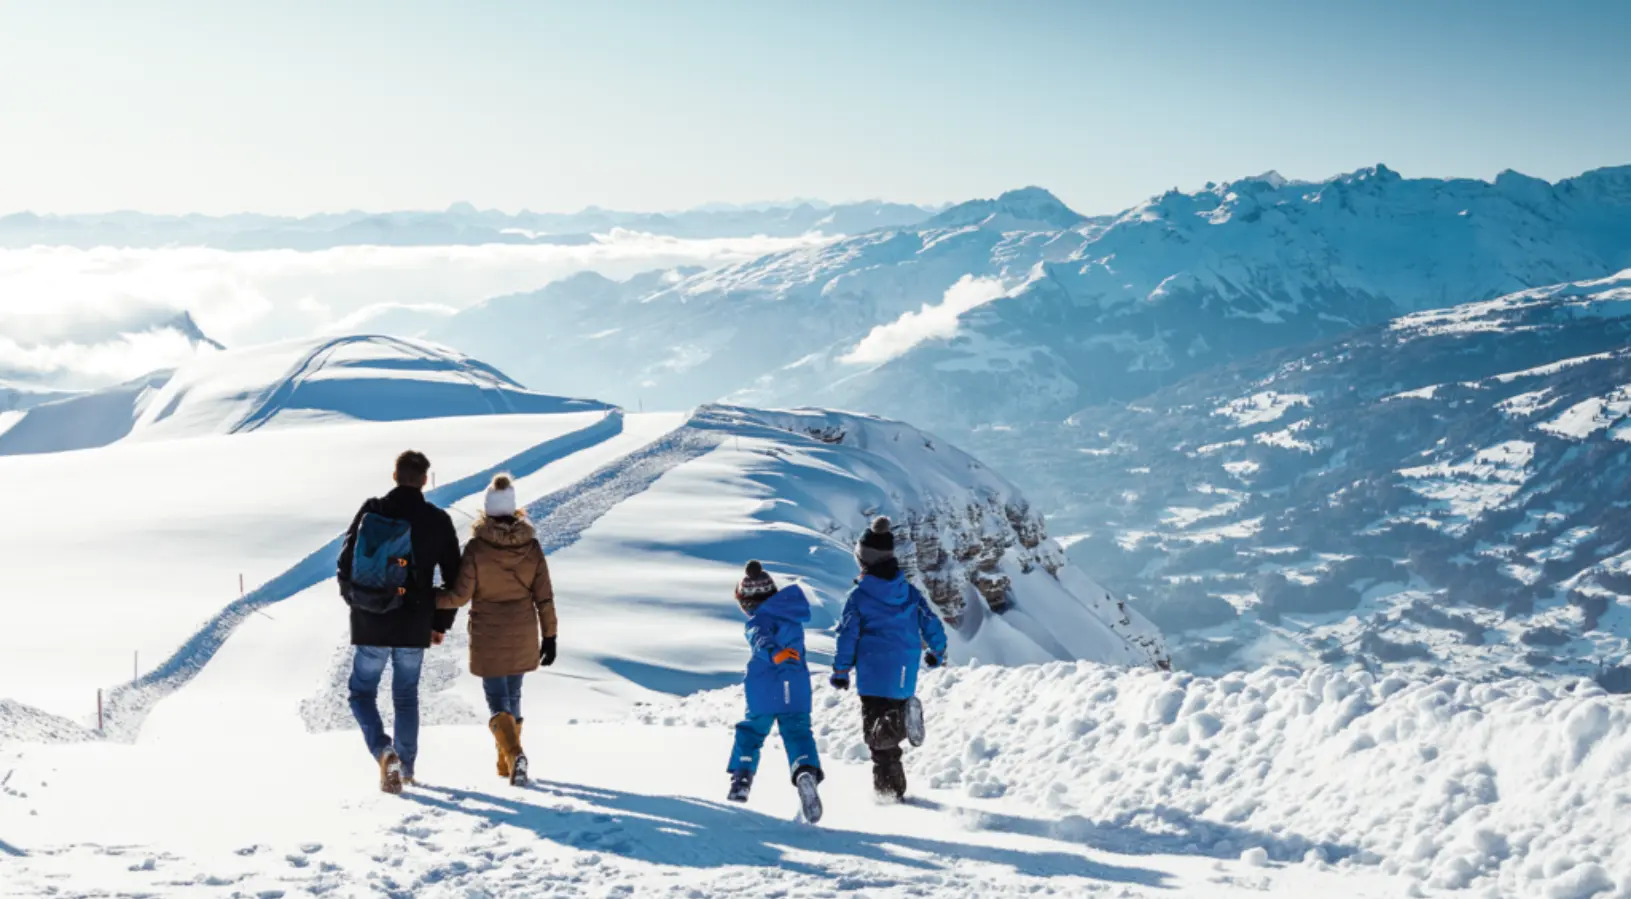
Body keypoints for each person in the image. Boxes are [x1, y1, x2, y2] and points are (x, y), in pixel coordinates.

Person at [337, 450, 461, 794]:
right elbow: (454, 577)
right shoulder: (437, 520)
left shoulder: (372, 509)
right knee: (405, 695)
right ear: (424, 479)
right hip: (413, 622)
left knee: (361, 692)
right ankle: (404, 768)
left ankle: (382, 751)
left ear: (395, 475)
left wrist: (356, 601)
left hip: (370, 620)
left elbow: (345, 560)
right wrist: (440, 622)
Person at [438, 474, 558, 786]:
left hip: (488, 634)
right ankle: (507, 762)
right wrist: (550, 636)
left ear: (487, 511)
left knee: (495, 700)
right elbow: (543, 596)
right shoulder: (531, 547)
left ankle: (514, 753)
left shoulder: (477, 548)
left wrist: (429, 598)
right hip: (522, 630)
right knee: (514, 693)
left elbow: (460, 596)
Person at [829, 516, 948, 802]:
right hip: (905, 671)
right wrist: (937, 652)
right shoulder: (909, 592)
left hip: (873, 676)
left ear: (864, 560)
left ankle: (889, 795)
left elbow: (847, 636)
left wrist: (842, 671)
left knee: (877, 742)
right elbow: (930, 622)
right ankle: (899, 722)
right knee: (886, 737)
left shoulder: (858, 597)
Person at [725, 561, 824, 823]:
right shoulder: (792, 616)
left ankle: (742, 778)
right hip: (796, 686)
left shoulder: (758, 621)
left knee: (752, 731)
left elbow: (761, 639)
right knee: (798, 732)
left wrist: (773, 654)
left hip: (764, 687)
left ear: (747, 602)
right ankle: (805, 771)